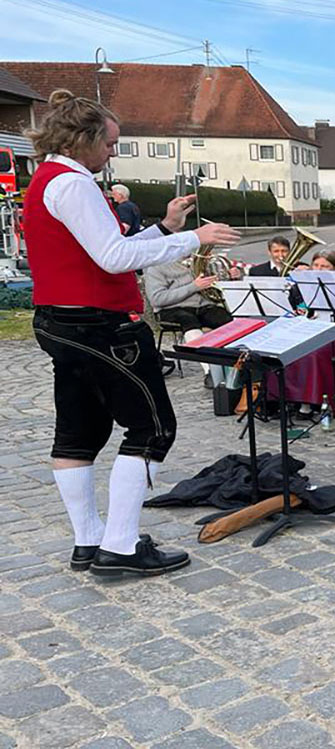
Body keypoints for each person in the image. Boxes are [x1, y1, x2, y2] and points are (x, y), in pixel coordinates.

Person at [25, 89, 240, 577]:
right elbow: (114, 259)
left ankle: (89, 542)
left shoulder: (50, 180)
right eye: (110, 143)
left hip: (63, 320)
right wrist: (195, 237)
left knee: (78, 434)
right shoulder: (74, 185)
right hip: (98, 324)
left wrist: (165, 228)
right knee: (152, 428)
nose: (113, 152)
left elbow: (108, 249)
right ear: (83, 139)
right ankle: (120, 545)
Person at [273, 249, 335, 417]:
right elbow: (291, 309)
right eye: (316, 265)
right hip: (307, 332)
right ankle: (286, 399)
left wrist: (329, 313)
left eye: (325, 266)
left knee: (312, 354)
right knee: (282, 350)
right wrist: (299, 314)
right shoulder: (300, 287)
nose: (318, 269)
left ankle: (309, 402)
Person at [143, 256, 234, 387]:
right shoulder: (156, 267)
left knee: (226, 318)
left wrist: (231, 276)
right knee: (188, 320)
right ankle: (209, 371)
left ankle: (236, 365)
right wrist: (193, 286)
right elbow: (157, 299)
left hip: (202, 305)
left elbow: (217, 285)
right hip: (172, 308)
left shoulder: (203, 261)